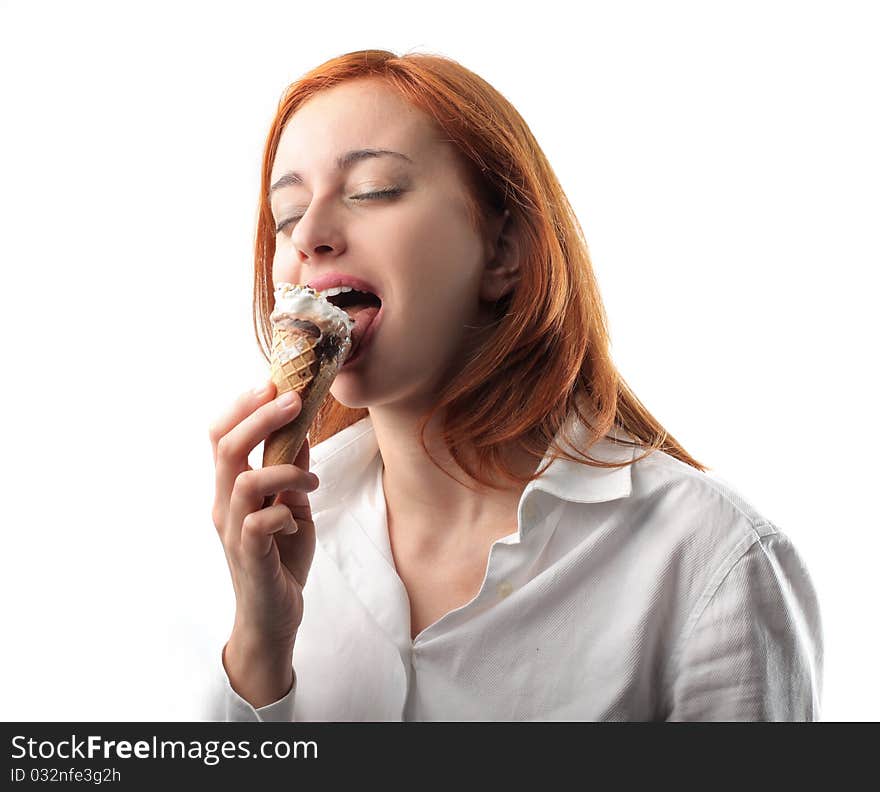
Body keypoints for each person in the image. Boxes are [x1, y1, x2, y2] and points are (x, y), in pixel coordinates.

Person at [205, 50, 823, 721]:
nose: (310, 236)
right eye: (287, 213)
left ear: (502, 252)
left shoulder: (709, 562)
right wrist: (261, 646)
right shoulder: (278, 536)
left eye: (374, 189)